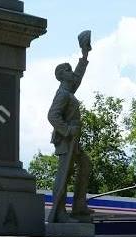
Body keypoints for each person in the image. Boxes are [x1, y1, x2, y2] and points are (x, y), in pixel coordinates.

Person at [47, 31, 94, 223]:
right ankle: (59, 213)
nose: (71, 72)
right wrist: (67, 130)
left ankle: (79, 206)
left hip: (73, 139)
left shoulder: (69, 90)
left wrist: (84, 56)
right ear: (61, 75)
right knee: (63, 176)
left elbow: (79, 75)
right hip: (66, 140)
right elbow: (52, 115)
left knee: (85, 164)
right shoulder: (63, 94)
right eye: (67, 70)